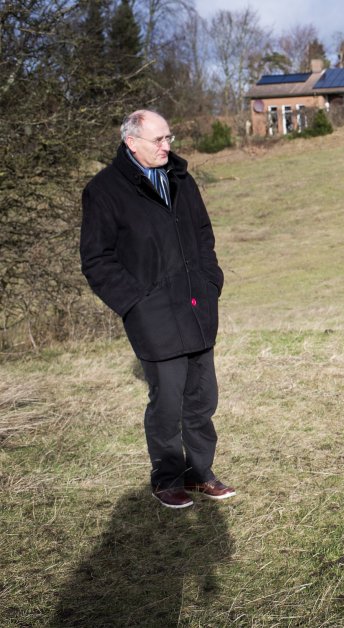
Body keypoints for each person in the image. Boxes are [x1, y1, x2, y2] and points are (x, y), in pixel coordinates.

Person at [80, 110, 236, 509]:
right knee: (167, 404)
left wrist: (210, 280)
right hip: (153, 316)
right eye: (159, 140)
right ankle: (168, 480)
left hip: (197, 306)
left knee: (202, 399)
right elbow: (97, 260)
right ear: (132, 142)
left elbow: (203, 235)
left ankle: (201, 473)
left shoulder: (181, 179)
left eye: (169, 138)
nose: (168, 146)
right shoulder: (104, 190)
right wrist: (137, 302)